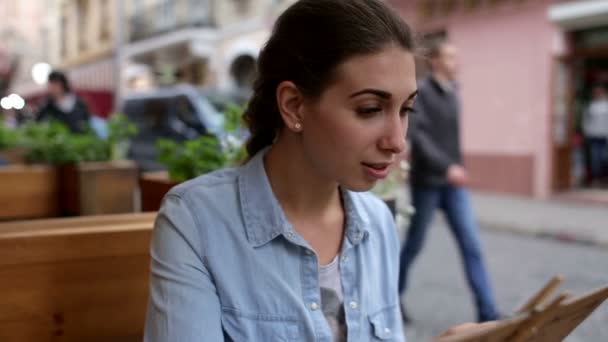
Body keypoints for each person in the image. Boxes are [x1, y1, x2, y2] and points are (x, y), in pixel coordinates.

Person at [144, 1, 492, 341]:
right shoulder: (196, 220)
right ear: (294, 106)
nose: (398, 142)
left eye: (406, 109)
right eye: (370, 109)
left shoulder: (378, 224)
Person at [397, 40, 499, 324]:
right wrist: (447, 166)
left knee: (472, 244)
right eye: (451, 57)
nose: (457, 62)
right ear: (436, 61)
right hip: (428, 182)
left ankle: (488, 313)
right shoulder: (421, 92)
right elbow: (417, 137)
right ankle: (391, 298)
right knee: (414, 245)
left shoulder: (454, 92)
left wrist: (456, 167)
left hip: (453, 185)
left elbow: (449, 139)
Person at [583, 84, 608, 186]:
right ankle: (596, 179)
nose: (598, 94)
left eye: (600, 92)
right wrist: (587, 132)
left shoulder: (606, 105)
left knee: (604, 158)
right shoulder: (590, 106)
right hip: (593, 136)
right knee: (595, 159)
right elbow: (586, 121)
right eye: (596, 93)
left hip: (605, 136)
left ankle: (604, 178)